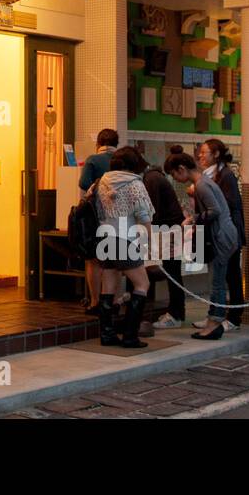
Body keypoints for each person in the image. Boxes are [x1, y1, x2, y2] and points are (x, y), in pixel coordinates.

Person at [165, 152, 238, 340]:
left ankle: (214, 323)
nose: (176, 179)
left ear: (181, 169)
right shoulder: (205, 181)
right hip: (224, 234)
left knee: (217, 283)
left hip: (221, 236)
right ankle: (214, 321)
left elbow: (215, 211)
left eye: (174, 175)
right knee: (217, 282)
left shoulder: (202, 185)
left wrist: (192, 220)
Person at [94, 146, 155, 348]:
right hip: (124, 239)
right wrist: (150, 238)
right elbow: (143, 215)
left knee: (108, 287)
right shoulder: (134, 183)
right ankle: (130, 335)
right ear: (132, 164)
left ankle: (107, 335)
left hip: (104, 238)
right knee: (142, 284)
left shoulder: (101, 182)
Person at [197, 138, 245, 331]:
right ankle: (214, 314)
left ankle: (234, 317)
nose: (200, 156)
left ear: (215, 154)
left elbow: (229, 204)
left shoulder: (225, 175)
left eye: (204, 152)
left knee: (232, 275)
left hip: (228, 233)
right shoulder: (210, 175)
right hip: (217, 233)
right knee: (218, 277)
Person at [142, 154, 187, 328]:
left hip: (168, 231)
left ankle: (176, 315)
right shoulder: (155, 176)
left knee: (172, 272)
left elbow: (152, 211)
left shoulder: (151, 179)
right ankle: (176, 312)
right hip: (170, 229)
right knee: (173, 271)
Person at [77, 128, 118, 312]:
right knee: (113, 259)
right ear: (116, 144)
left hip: (97, 216)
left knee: (93, 260)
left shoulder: (93, 160)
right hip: (118, 218)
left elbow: (84, 184)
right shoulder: (121, 160)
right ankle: (112, 300)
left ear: (98, 144)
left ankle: (94, 302)